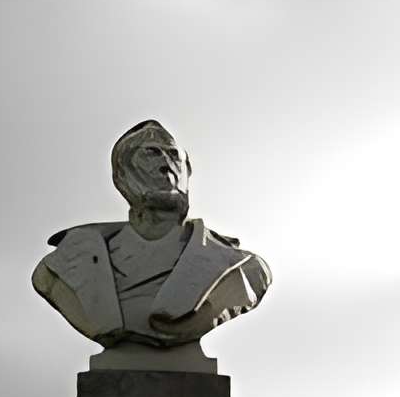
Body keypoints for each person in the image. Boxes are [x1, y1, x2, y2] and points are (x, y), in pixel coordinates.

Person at [32, 121, 271, 348]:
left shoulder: (240, 268)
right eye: (151, 153)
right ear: (121, 176)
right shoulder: (63, 266)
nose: (167, 164)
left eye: (174, 155)